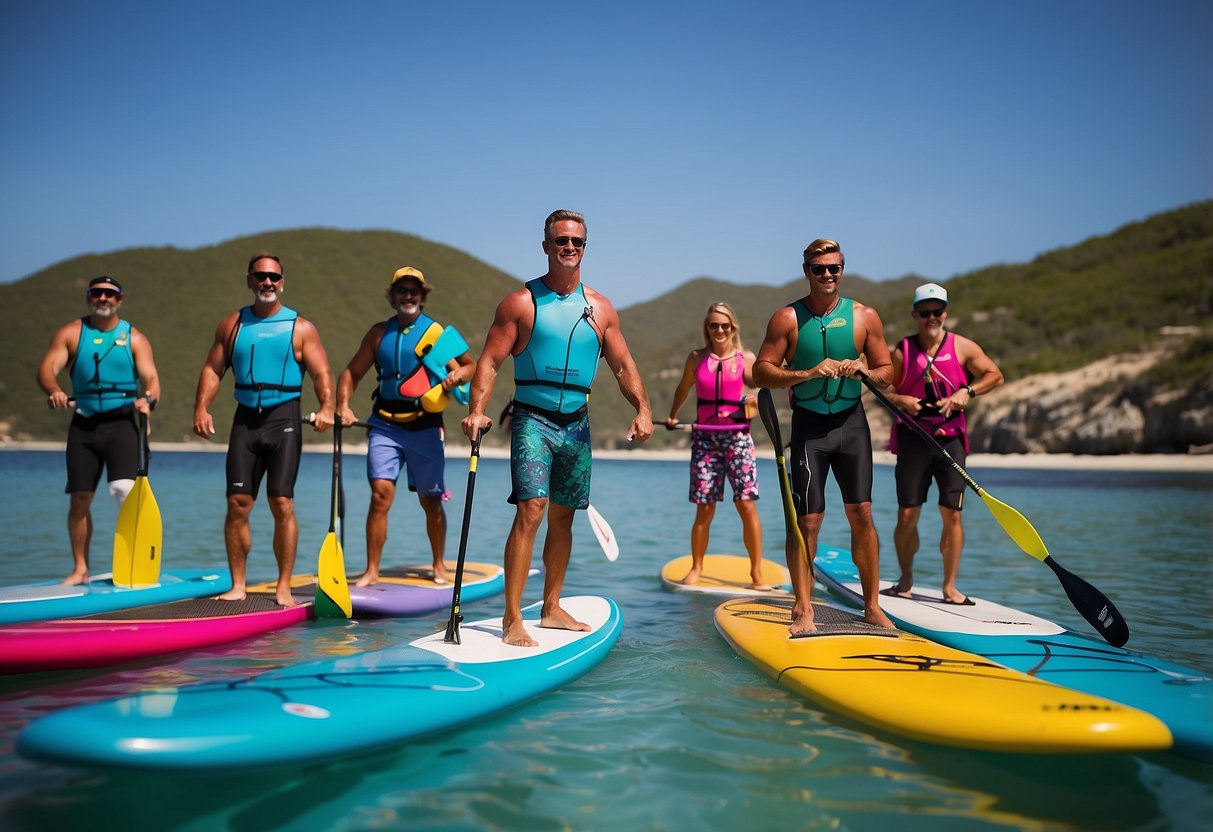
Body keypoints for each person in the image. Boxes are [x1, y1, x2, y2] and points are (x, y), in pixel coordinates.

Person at [462, 209, 653, 646]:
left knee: (564, 518)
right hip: (532, 418)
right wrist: (477, 410)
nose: (570, 248)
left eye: (577, 242)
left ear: (585, 247)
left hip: (578, 424)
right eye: (561, 241)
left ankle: (551, 608)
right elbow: (490, 361)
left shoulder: (600, 308)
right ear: (546, 245)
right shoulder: (521, 303)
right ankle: (512, 618)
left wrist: (642, 408)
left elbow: (623, 365)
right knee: (532, 510)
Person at [753, 238, 895, 633]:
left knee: (862, 514)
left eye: (834, 268)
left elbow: (888, 372)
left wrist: (864, 372)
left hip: (852, 425)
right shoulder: (787, 319)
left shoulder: (865, 316)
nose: (828, 275)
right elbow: (760, 372)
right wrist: (808, 373)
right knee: (808, 521)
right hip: (810, 428)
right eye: (820, 269)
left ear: (842, 270)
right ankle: (802, 607)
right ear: (807, 272)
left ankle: (872, 606)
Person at [192, 252, 335, 607]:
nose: (267, 282)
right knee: (237, 504)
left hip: (284, 417)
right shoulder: (232, 325)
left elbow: (321, 374)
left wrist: (328, 407)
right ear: (250, 280)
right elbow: (213, 369)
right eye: (260, 276)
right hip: (245, 419)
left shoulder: (300, 327)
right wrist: (201, 407)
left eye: (273, 277)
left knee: (282, 502)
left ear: (282, 282)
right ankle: (238, 584)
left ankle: (283, 586)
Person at [336, 266, 475, 587]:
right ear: (392, 295)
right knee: (380, 495)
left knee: (431, 499)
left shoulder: (436, 333)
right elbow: (351, 374)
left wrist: (458, 376)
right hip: (384, 425)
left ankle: (439, 565)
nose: (408, 296)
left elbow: (472, 366)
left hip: (425, 427)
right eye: (402, 290)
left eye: (414, 291)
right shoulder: (377, 334)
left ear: (423, 296)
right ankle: (372, 570)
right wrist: (342, 404)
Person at [879, 283, 1005, 605]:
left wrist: (968, 392)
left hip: (951, 441)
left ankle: (949, 587)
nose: (931, 317)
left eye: (937, 311)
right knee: (907, 515)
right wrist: (902, 399)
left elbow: (994, 375)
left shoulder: (962, 347)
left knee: (952, 515)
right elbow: (882, 391)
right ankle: (905, 579)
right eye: (925, 312)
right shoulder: (902, 350)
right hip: (913, 440)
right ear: (915, 315)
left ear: (945, 314)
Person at [36, 276, 161, 585]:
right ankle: (80, 569)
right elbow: (46, 370)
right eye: (97, 293)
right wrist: (54, 389)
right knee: (80, 498)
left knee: (124, 491)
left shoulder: (134, 338)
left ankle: (134, 563)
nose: (103, 298)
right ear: (89, 297)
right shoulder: (71, 334)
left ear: (119, 299)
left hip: (122, 424)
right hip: (84, 423)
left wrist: (148, 399)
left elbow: (152, 379)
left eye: (109, 294)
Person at [665, 302, 765, 589]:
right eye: (713, 326)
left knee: (746, 504)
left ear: (732, 328)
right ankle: (697, 567)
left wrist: (753, 400)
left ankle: (756, 572)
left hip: (738, 439)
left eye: (724, 325)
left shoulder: (745, 359)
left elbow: (760, 390)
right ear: (706, 328)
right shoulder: (696, 358)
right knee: (704, 508)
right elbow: (683, 388)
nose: (719, 330)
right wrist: (673, 416)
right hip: (705, 440)